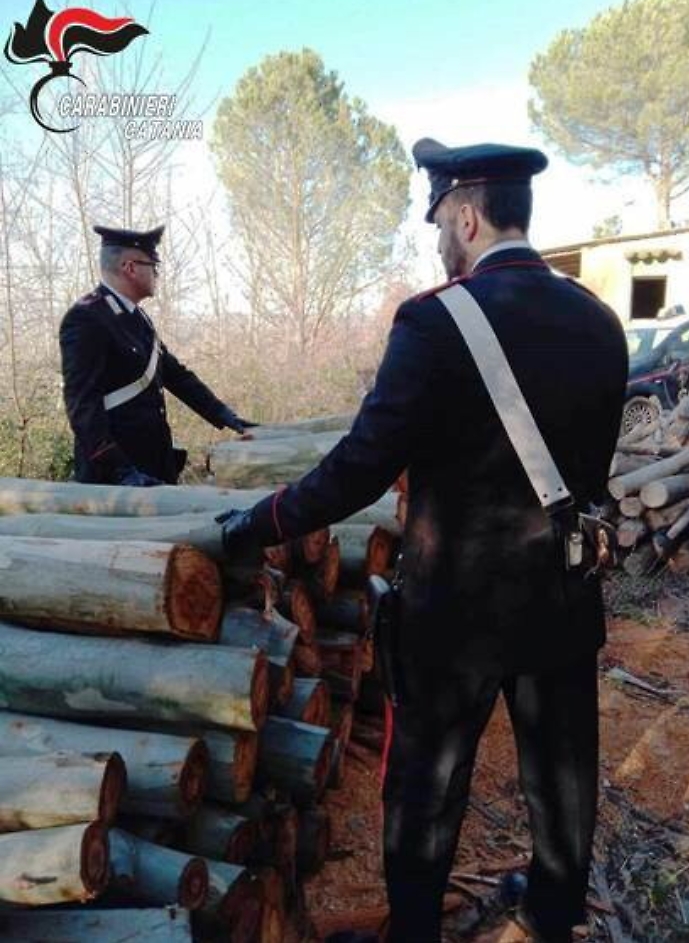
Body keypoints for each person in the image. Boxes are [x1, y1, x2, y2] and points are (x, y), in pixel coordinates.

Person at [217, 140, 628, 942]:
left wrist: (255, 523)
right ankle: (552, 910)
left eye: (440, 217)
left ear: (466, 213)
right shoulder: (601, 322)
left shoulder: (434, 320)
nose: (439, 235)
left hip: (456, 611)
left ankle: (414, 930)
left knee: (427, 787)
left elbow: (359, 469)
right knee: (562, 770)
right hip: (562, 596)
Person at [60, 225, 256, 485]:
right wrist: (119, 471)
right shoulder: (86, 318)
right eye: (153, 266)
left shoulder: (137, 316)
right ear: (129, 267)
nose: (157, 274)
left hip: (152, 464)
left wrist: (224, 415)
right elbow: (82, 406)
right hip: (116, 478)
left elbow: (175, 375)